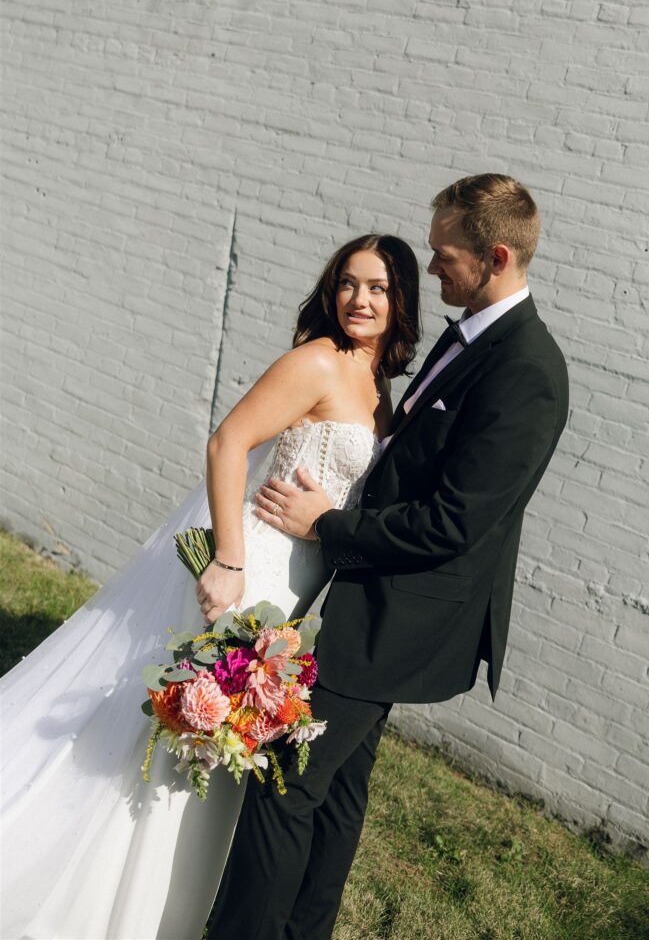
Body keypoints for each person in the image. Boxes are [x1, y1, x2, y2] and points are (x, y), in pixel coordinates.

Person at [0, 233, 420, 940]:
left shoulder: (379, 387)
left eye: (377, 287)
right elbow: (229, 442)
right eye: (348, 283)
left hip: (300, 593)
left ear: (400, 299)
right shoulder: (317, 360)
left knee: (225, 740)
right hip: (255, 566)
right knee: (175, 725)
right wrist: (226, 559)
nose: (359, 299)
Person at [204, 173, 570, 940]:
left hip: (401, 614)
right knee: (335, 792)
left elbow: (452, 525)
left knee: (285, 785)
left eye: (443, 256)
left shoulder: (524, 371)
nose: (429, 269)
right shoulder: (469, 331)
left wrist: (325, 525)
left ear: (494, 256)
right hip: (365, 596)